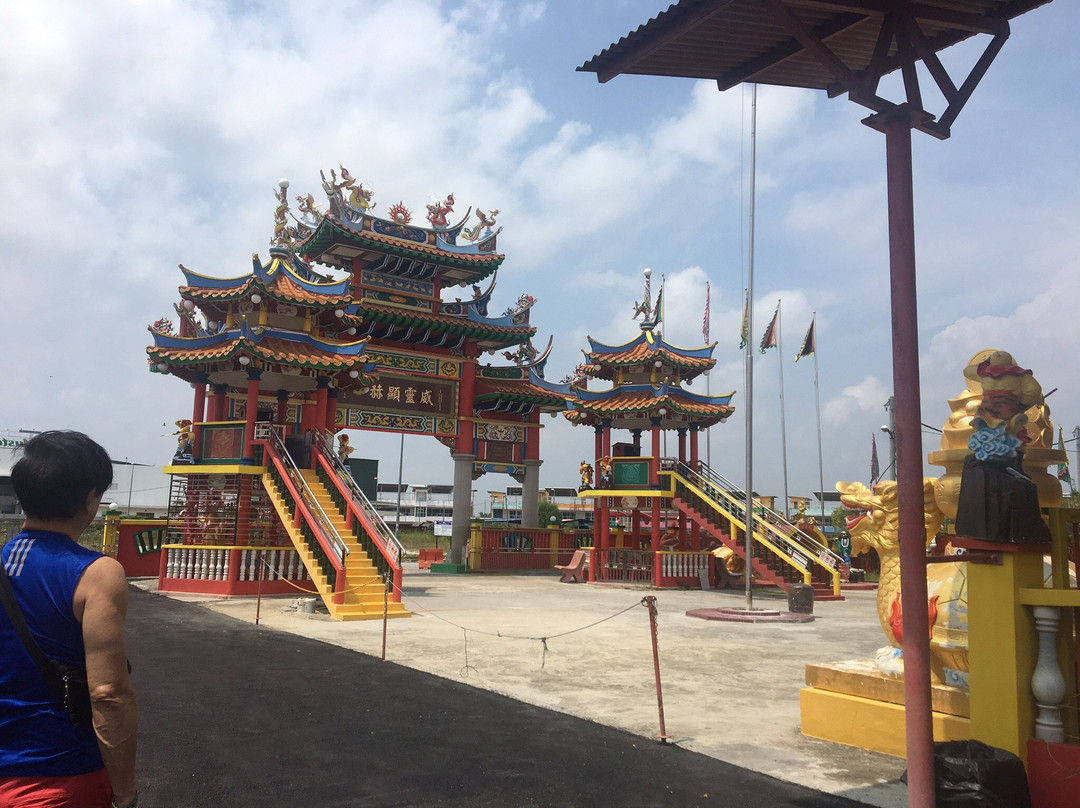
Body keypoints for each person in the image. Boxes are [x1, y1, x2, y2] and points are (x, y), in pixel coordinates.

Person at [0, 431, 138, 807]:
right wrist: (125, 793)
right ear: (91, 498)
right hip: (57, 776)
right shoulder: (96, 574)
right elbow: (108, 694)